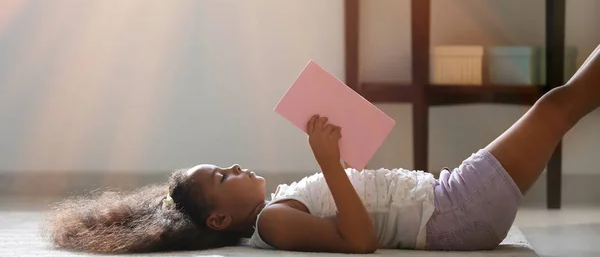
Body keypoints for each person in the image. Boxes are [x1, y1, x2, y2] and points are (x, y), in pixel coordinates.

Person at [45, 45, 600, 254]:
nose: (236, 166)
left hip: (447, 199)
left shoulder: (279, 207)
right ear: (219, 217)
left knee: (560, 105)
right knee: (558, 106)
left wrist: (339, 159)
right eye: (223, 175)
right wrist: (330, 164)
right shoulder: (272, 227)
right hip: (453, 214)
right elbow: (358, 242)